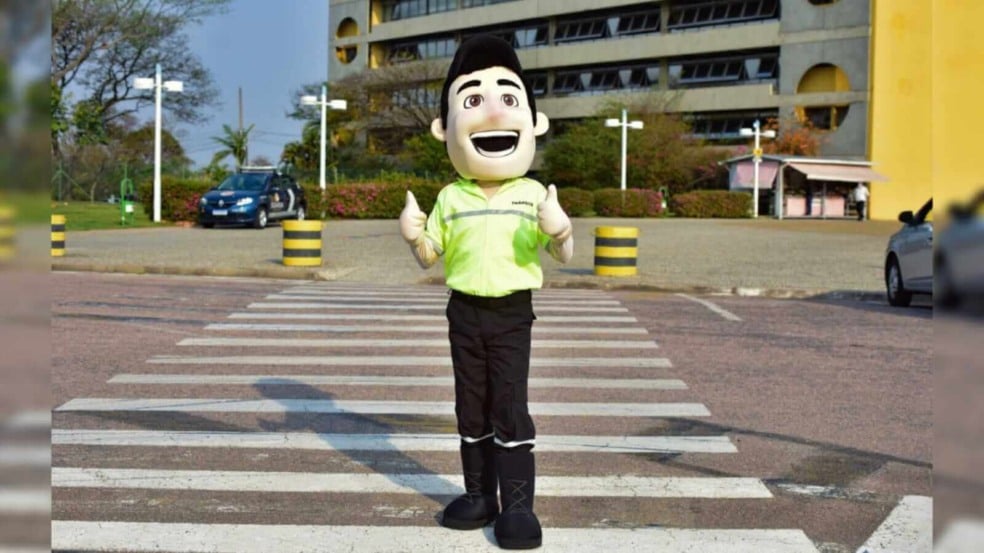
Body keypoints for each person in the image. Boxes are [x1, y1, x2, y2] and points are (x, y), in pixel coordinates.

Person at [398, 34, 573, 550]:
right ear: (444, 127)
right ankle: (480, 497)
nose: (492, 112)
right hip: (464, 311)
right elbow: (432, 254)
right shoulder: (450, 197)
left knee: (509, 405)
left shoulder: (534, 193)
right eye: (471, 100)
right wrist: (414, 236)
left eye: (508, 98)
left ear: (534, 122)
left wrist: (561, 230)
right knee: (470, 406)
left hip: (513, 314)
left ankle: (519, 506)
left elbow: (561, 255)